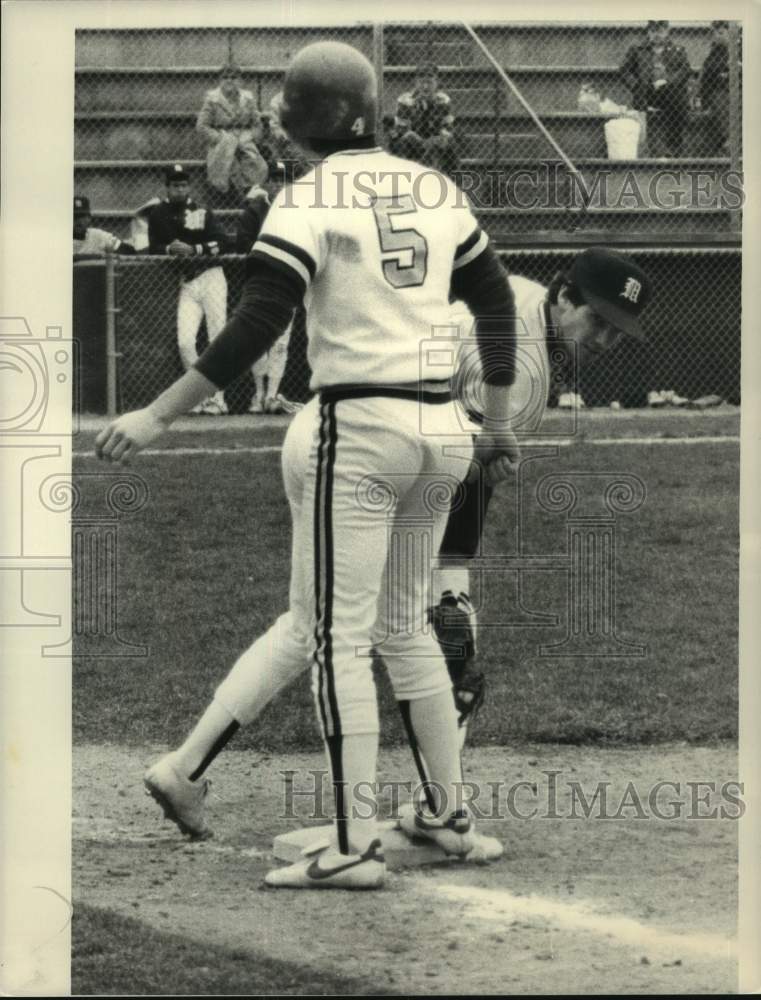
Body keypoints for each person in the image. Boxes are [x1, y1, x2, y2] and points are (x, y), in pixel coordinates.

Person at [95, 40, 520, 891]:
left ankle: (353, 844)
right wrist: (499, 423)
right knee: (403, 628)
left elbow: (255, 325)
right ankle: (446, 816)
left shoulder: (304, 196)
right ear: (376, 113)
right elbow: (496, 301)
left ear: (293, 123)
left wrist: (156, 414)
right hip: (441, 421)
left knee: (333, 637)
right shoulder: (436, 187)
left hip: (356, 424)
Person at [128, 247, 651, 846]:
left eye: (618, 329)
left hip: (337, 434)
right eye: (600, 320)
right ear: (565, 298)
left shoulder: (516, 296)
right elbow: (454, 474)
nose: (606, 339)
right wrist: (452, 585)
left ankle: (184, 768)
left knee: (308, 628)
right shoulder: (525, 370)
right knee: (406, 635)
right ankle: (432, 815)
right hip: (373, 457)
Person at [148, 163, 231, 416]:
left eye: (183, 184)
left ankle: (218, 399)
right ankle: (199, 396)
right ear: (167, 187)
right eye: (175, 185)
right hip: (186, 281)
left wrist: (195, 250)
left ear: (189, 187)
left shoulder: (200, 211)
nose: (180, 189)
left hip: (211, 276)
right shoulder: (158, 213)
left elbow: (224, 242)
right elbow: (153, 247)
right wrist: (168, 250)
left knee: (217, 339)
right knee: (185, 342)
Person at [235, 179, 303, 415]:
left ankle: (272, 394)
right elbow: (243, 242)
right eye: (274, 181)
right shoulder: (256, 210)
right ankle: (259, 393)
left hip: (287, 281)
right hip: (261, 281)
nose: (278, 186)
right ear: (268, 184)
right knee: (257, 340)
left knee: (281, 342)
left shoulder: (295, 210)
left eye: (283, 181)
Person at [196, 63, 269, 202]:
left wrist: (249, 137)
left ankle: (250, 194)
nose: (229, 81)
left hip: (244, 140)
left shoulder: (247, 99)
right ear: (220, 81)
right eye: (225, 77)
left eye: (234, 77)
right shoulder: (212, 100)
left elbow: (257, 124)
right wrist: (221, 138)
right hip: (222, 142)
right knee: (226, 166)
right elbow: (202, 126)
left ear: (240, 81)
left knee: (256, 165)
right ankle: (231, 196)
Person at [620, 20, 692, 157]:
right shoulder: (637, 49)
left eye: (660, 31)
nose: (657, 35)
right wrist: (636, 85)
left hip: (670, 91)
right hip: (647, 92)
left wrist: (668, 81)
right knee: (677, 100)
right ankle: (670, 148)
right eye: (653, 31)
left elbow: (685, 70)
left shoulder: (678, 49)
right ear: (648, 32)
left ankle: (673, 147)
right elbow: (624, 71)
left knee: (676, 97)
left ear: (667, 31)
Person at [388, 62, 459, 175]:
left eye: (430, 82)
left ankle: (454, 182)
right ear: (415, 82)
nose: (425, 87)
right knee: (404, 140)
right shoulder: (405, 99)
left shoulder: (443, 100)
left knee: (449, 142)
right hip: (413, 141)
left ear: (437, 82)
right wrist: (417, 106)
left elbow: (448, 127)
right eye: (421, 82)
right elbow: (401, 129)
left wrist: (440, 136)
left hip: (434, 140)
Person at [699, 21, 731, 155]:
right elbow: (709, 72)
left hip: (740, 90)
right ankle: (728, 140)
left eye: (721, 33)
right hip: (719, 91)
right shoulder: (716, 51)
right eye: (715, 33)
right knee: (718, 98)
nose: (717, 36)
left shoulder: (742, 47)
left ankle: (730, 140)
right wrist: (725, 70)